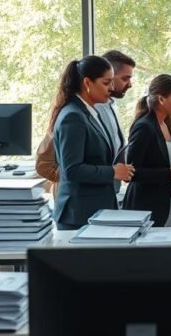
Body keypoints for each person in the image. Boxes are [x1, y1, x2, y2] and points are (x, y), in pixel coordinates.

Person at [50, 56, 135, 230]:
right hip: (80, 214)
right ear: (87, 83)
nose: (112, 88)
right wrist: (112, 171)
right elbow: (72, 169)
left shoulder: (89, 112)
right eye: (106, 83)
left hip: (96, 210)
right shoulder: (73, 116)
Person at [122, 74, 171, 227]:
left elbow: (162, 162)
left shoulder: (166, 124)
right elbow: (131, 172)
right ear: (161, 99)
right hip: (144, 209)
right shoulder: (144, 126)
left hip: (166, 204)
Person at [95, 50, 136, 192]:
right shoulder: (93, 109)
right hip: (93, 193)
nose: (130, 84)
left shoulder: (110, 105)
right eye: (125, 79)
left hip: (110, 190)